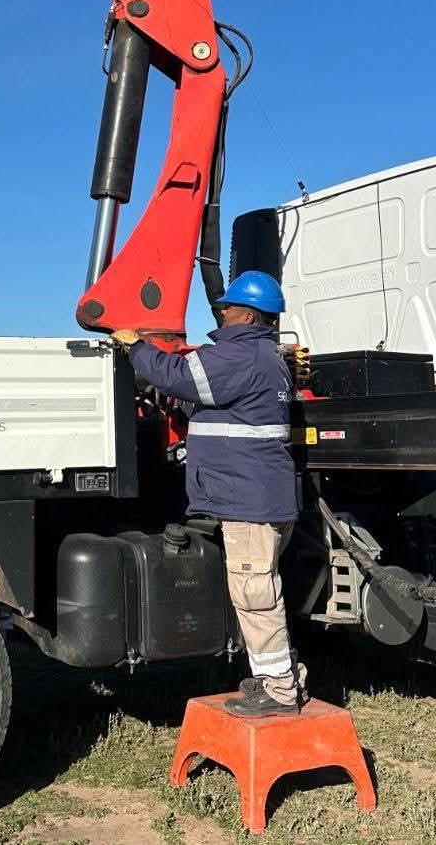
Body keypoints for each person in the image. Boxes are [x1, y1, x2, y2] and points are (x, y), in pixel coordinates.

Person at [112, 271, 304, 717]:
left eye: (229, 306)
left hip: (250, 501)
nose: (221, 311)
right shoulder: (263, 357)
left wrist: (136, 347)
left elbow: (179, 376)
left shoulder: (239, 355)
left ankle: (279, 691)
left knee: (256, 594)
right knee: (262, 592)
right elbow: (209, 400)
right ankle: (282, 677)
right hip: (259, 496)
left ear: (250, 315)